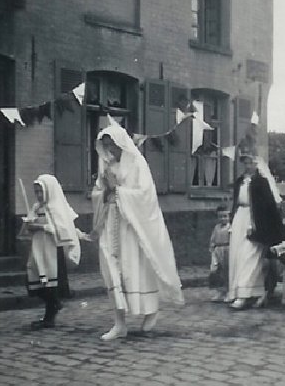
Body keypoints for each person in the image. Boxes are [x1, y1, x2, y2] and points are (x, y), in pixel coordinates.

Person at [91, 123, 184, 340]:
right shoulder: (106, 166)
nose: (109, 150)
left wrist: (118, 191)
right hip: (110, 222)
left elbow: (146, 195)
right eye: (105, 146)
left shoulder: (137, 163)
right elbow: (98, 192)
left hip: (133, 226)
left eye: (112, 145)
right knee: (112, 269)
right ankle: (119, 322)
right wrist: (103, 192)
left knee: (135, 269)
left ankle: (151, 311)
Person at [228, 146, 285, 310]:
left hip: (256, 222)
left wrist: (256, 225)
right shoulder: (241, 181)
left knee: (249, 256)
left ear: (256, 164)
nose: (247, 166)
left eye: (250, 163)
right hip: (240, 217)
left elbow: (267, 207)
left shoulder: (261, 182)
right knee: (237, 256)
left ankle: (243, 295)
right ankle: (250, 291)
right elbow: (235, 202)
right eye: (245, 163)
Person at [20, 175, 81, 329]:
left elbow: (60, 230)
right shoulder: (36, 207)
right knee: (33, 278)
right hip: (38, 248)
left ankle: (49, 316)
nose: (39, 195)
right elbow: (27, 227)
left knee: (50, 282)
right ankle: (54, 304)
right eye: (36, 192)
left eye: (41, 192)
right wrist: (29, 224)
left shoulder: (56, 209)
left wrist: (42, 227)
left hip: (51, 251)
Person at [208, 205, 231, 302]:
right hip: (218, 250)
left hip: (227, 249)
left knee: (227, 271)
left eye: (225, 216)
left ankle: (228, 291)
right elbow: (213, 239)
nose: (223, 219)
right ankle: (220, 292)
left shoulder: (230, 228)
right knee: (218, 272)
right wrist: (212, 247)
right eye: (220, 216)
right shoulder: (216, 228)